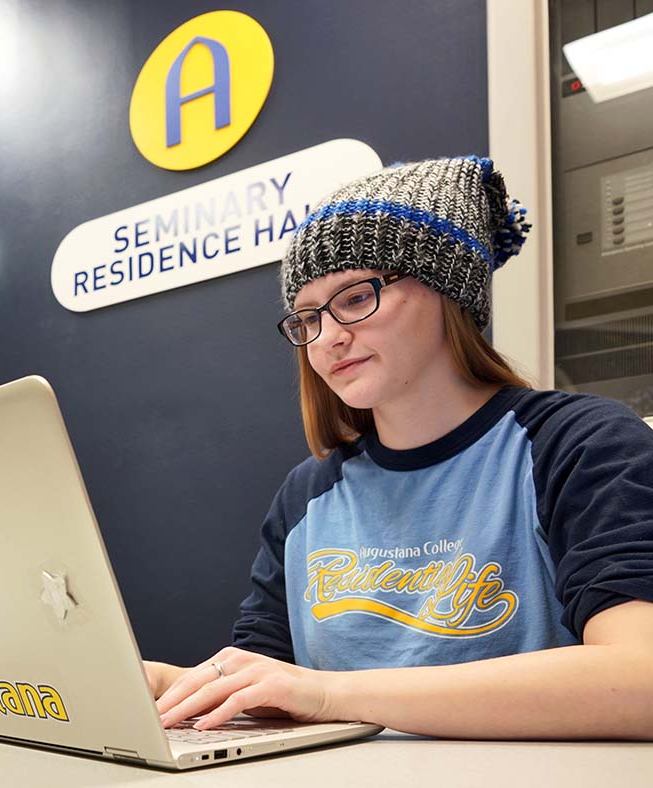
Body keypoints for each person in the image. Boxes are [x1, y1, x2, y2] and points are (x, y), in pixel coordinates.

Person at [147, 157, 653, 740]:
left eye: (356, 297)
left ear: (448, 291)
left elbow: (638, 678)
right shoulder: (309, 494)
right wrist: (170, 684)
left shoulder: (579, 444)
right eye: (307, 317)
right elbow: (274, 686)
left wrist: (332, 693)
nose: (329, 337)